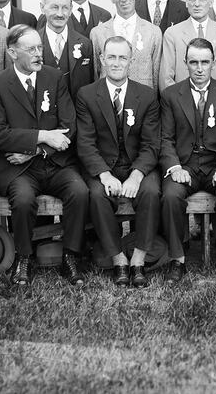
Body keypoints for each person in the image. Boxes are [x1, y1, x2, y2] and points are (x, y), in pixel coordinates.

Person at [0, 25, 90, 286]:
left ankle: (70, 256)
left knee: (79, 191)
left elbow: (68, 127)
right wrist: (42, 135)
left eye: (40, 47)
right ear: (11, 52)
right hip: (17, 169)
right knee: (22, 199)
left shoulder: (54, 78)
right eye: (30, 49)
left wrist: (35, 151)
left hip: (53, 162)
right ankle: (24, 258)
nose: (38, 53)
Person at [76, 36, 161, 288]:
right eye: (111, 57)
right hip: (104, 165)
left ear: (131, 61)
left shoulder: (146, 96)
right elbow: (86, 143)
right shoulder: (88, 95)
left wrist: (136, 175)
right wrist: (104, 174)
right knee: (97, 194)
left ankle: (138, 259)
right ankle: (118, 258)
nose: (116, 62)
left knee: (151, 191)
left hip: (137, 164)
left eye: (122, 57)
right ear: (102, 59)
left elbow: (151, 144)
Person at [160, 38, 216, 281]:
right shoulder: (171, 95)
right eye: (194, 62)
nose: (199, 68)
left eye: (205, 62)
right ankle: (178, 258)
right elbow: (164, 139)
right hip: (184, 165)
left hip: (215, 166)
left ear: (214, 63)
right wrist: (175, 167)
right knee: (170, 196)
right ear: (185, 63)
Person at [91, 0, 163, 92]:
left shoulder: (154, 32)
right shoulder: (97, 33)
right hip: (107, 102)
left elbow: (156, 75)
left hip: (143, 102)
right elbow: (96, 74)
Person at [37, 0, 94, 100]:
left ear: (71, 9)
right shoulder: (33, 42)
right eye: (54, 7)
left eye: (65, 8)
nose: (60, 13)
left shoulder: (85, 44)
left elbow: (90, 85)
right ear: (42, 7)